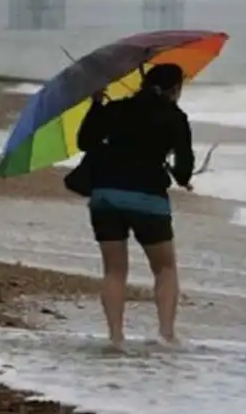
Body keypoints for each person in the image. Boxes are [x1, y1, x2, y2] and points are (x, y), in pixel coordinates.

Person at [76, 63, 195, 349]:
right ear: (175, 88)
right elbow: (184, 165)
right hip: (148, 199)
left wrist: (96, 105)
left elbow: (85, 142)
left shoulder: (115, 109)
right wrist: (182, 178)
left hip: (106, 195)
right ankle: (166, 334)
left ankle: (116, 337)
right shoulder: (175, 117)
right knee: (165, 268)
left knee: (114, 270)